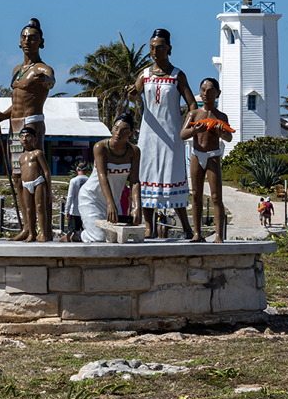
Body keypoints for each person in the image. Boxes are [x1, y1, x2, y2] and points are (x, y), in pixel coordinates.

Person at [126, 28, 197, 239]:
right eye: (151, 48)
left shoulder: (177, 76)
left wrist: (185, 128)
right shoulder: (145, 75)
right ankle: (149, 227)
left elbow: (192, 105)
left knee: (173, 176)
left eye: (159, 47)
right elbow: (134, 96)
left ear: (169, 48)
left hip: (172, 136)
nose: (155, 52)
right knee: (147, 176)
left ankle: (186, 228)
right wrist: (132, 94)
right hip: (148, 135)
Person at [0, 18, 55, 207]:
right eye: (24, 37)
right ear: (19, 41)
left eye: (32, 38)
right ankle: (27, 222)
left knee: (34, 174)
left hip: (31, 123)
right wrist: (2, 115)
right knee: (17, 175)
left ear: (41, 42)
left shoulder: (43, 69)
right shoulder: (16, 70)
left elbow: (50, 82)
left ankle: (41, 219)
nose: (27, 41)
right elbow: (18, 102)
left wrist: (46, 80)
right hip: (14, 124)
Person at [180, 77, 234, 242]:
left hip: (213, 156)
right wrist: (195, 130)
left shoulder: (221, 116)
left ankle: (219, 234)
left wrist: (220, 132)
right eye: (203, 90)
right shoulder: (194, 114)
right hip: (197, 154)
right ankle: (197, 233)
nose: (206, 94)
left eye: (210, 91)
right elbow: (183, 134)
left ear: (217, 93)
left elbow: (229, 137)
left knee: (216, 196)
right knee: (196, 195)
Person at [74, 113, 142, 242]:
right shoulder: (101, 147)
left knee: (115, 237)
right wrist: (110, 204)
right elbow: (102, 176)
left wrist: (137, 206)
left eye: (124, 130)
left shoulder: (134, 151)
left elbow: (134, 181)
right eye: (116, 128)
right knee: (99, 237)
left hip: (114, 201)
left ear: (131, 133)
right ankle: (76, 236)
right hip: (92, 197)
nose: (118, 133)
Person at [13, 126, 52, 242]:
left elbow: (46, 171)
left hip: (38, 182)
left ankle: (43, 233)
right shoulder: (21, 157)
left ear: (35, 139)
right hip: (26, 184)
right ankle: (31, 233)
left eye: (28, 136)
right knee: (29, 209)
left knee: (40, 207)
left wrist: (49, 188)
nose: (24, 139)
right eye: (22, 136)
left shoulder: (37, 153)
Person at [63, 161, 89, 239]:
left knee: (72, 232)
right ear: (86, 170)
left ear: (77, 170)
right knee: (86, 232)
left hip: (75, 211)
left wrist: (67, 211)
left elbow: (70, 196)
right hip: (86, 211)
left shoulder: (73, 181)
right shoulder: (89, 180)